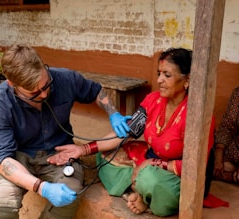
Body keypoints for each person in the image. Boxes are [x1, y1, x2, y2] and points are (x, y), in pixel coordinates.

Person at [47, 47, 216, 217]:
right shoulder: (153, 100)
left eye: (167, 75)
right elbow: (127, 133)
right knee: (105, 156)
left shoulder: (197, 116)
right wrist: (82, 150)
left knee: (150, 179)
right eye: (159, 73)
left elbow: (195, 166)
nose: (159, 80)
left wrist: (154, 164)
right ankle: (139, 192)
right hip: (150, 160)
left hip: (179, 176)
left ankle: (144, 195)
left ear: (187, 80)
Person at [0, 44, 131, 219]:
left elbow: (95, 91)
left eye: (46, 85)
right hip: (18, 157)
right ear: (12, 84)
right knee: (4, 204)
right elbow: (2, 160)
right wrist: (42, 187)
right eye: (34, 93)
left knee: (70, 194)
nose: (44, 95)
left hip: (60, 153)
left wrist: (113, 113)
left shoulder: (65, 79)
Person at [214, 85, 239, 184]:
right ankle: (235, 176)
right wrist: (218, 156)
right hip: (236, 149)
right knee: (207, 162)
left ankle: (229, 176)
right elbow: (226, 127)